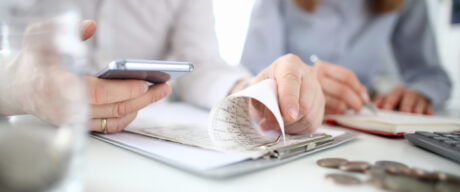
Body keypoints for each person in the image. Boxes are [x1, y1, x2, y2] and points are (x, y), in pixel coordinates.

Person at [0, 0, 326, 135]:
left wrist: (257, 96)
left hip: (135, 151)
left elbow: (202, 66)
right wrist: (13, 86)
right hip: (23, 139)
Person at [241, 0, 452, 115]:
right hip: (295, 121)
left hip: (364, 123)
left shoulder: (408, 4)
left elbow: (432, 76)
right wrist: (291, 87)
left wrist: (419, 93)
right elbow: (251, 77)